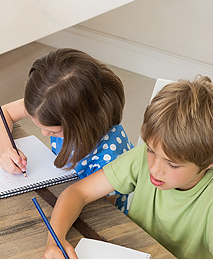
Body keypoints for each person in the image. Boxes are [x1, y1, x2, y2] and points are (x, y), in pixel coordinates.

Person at [43, 75, 213, 259]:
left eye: (172, 164)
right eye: (150, 150)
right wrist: (55, 241)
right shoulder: (140, 158)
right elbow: (78, 192)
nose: (154, 169)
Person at [0, 48, 133, 214]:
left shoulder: (109, 158)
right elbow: (2, 113)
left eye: (53, 131)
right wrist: (5, 150)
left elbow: (102, 214)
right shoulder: (51, 102)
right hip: (59, 192)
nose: (44, 134)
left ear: (81, 124)